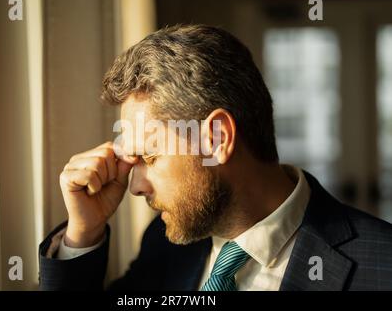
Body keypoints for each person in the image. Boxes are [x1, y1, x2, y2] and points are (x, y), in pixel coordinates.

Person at [39, 25, 392, 291]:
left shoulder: (382, 266)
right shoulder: (165, 245)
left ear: (217, 138)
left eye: (150, 156)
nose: (135, 186)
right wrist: (83, 234)